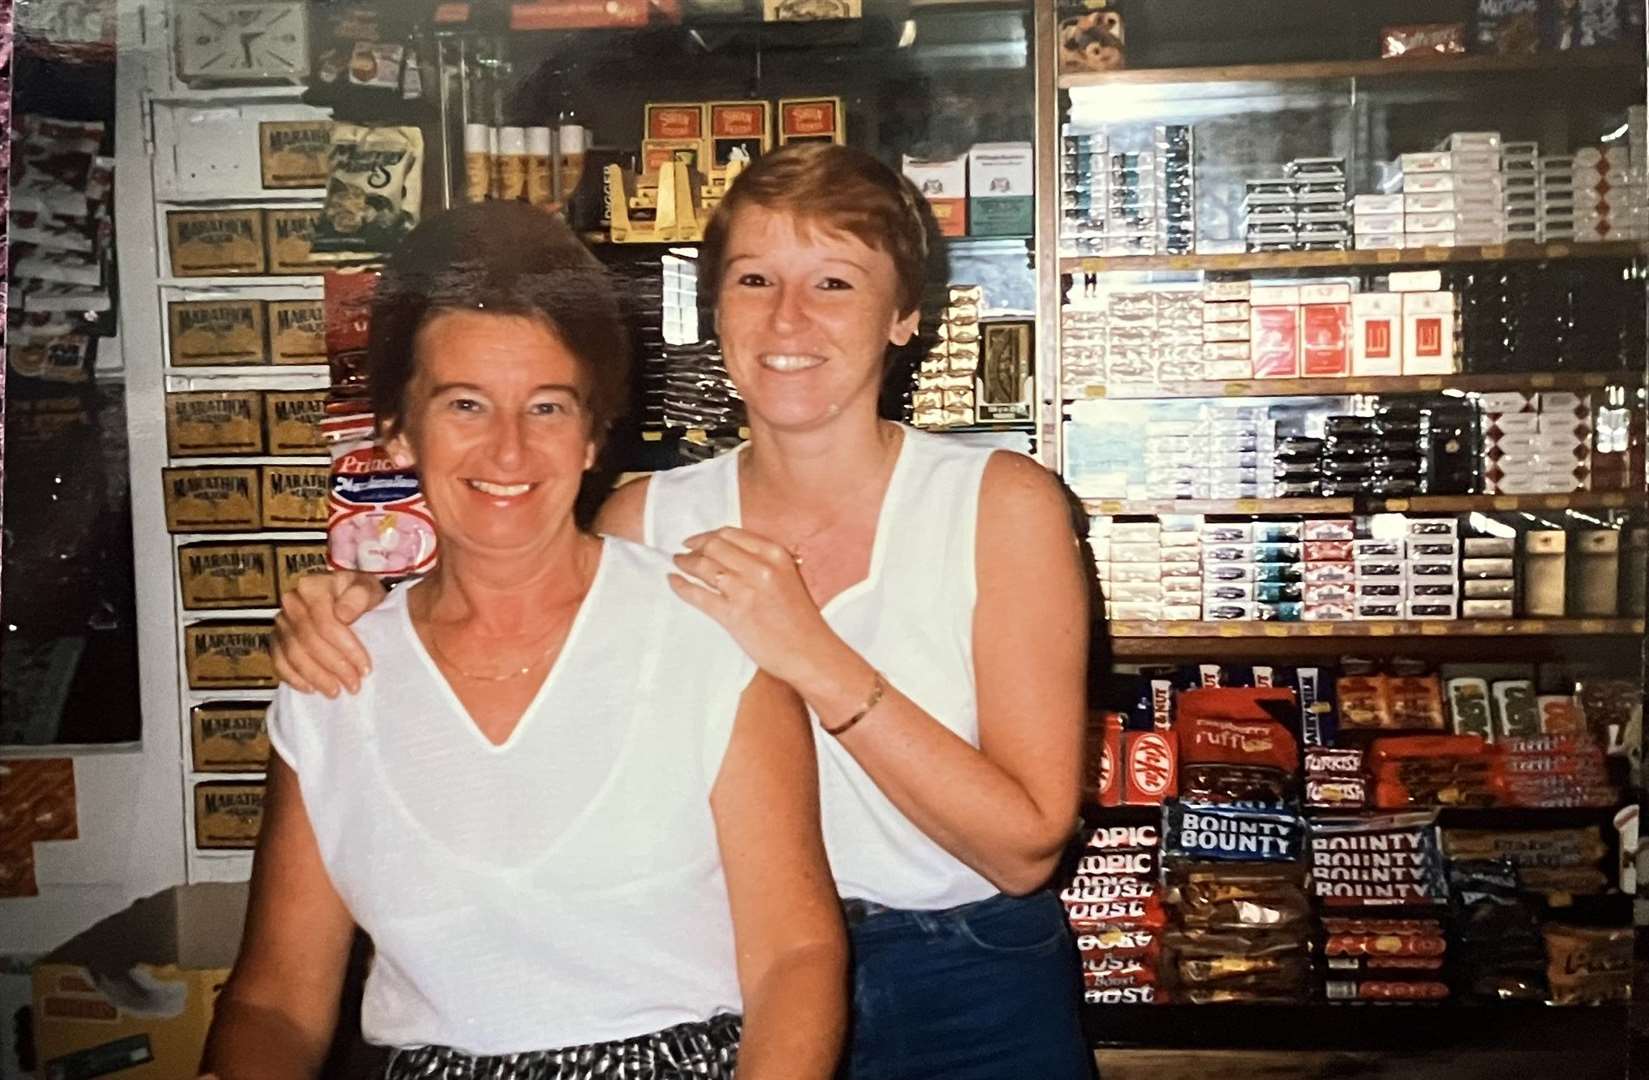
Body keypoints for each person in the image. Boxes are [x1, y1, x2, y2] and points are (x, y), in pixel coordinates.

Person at [273, 144, 1092, 1080]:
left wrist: (808, 652)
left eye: (833, 281)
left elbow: (1026, 848)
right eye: (753, 278)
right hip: (733, 982)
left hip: (963, 978)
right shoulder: (647, 518)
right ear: (713, 308)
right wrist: (346, 607)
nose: (788, 317)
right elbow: (494, 578)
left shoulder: (998, 505)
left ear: (904, 314)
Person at [203, 201, 845, 1080]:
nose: (508, 451)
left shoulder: (705, 637)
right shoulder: (335, 674)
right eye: (465, 403)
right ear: (398, 428)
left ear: (591, 435)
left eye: (546, 407)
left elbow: (794, 960)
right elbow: (275, 998)